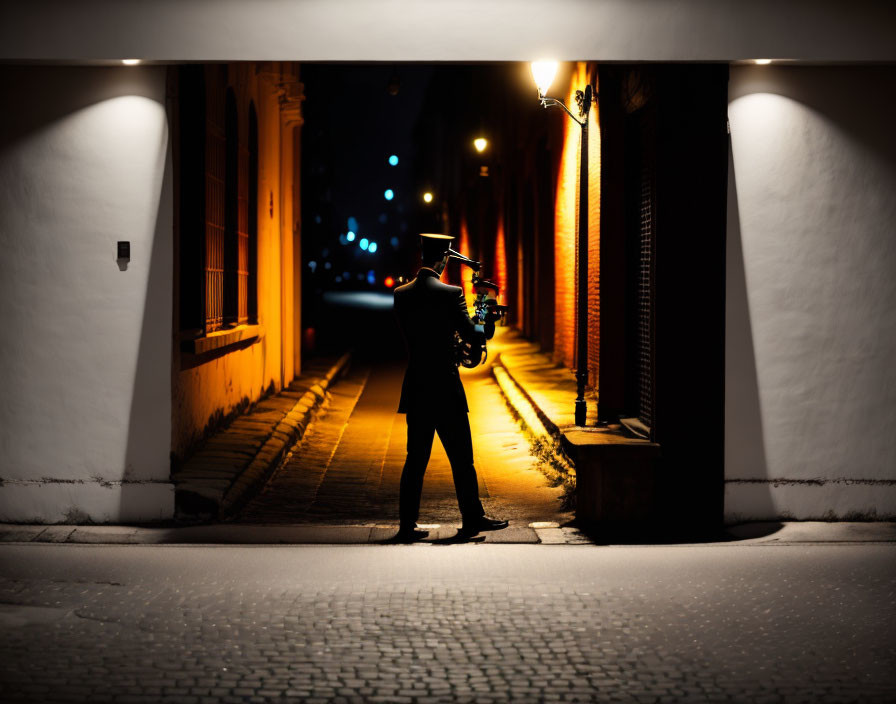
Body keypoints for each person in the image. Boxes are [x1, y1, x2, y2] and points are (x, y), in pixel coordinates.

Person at [392, 233, 509, 541]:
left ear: (422, 255)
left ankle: (407, 525)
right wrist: (485, 301)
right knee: (462, 458)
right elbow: (476, 334)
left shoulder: (401, 294)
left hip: (416, 385)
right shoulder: (451, 292)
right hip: (445, 386)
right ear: (444, 259)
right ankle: (472, 518)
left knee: (415, 459)